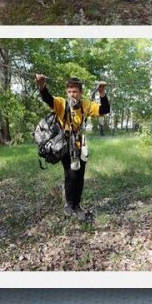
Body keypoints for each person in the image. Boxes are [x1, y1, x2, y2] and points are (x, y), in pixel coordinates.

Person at [34, 74, 109, 221]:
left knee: (79, 176)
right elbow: (48, 98)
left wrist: (102, 93)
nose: (72, 94)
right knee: (70, 174)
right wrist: (42, 86)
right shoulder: (62, 103)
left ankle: (77, 205)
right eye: (69, 91)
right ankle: (69, 203)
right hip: (64, 146)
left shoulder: (86, 104)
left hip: (80, 145)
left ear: (80, 92)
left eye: (74, 91)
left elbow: (104, 109)